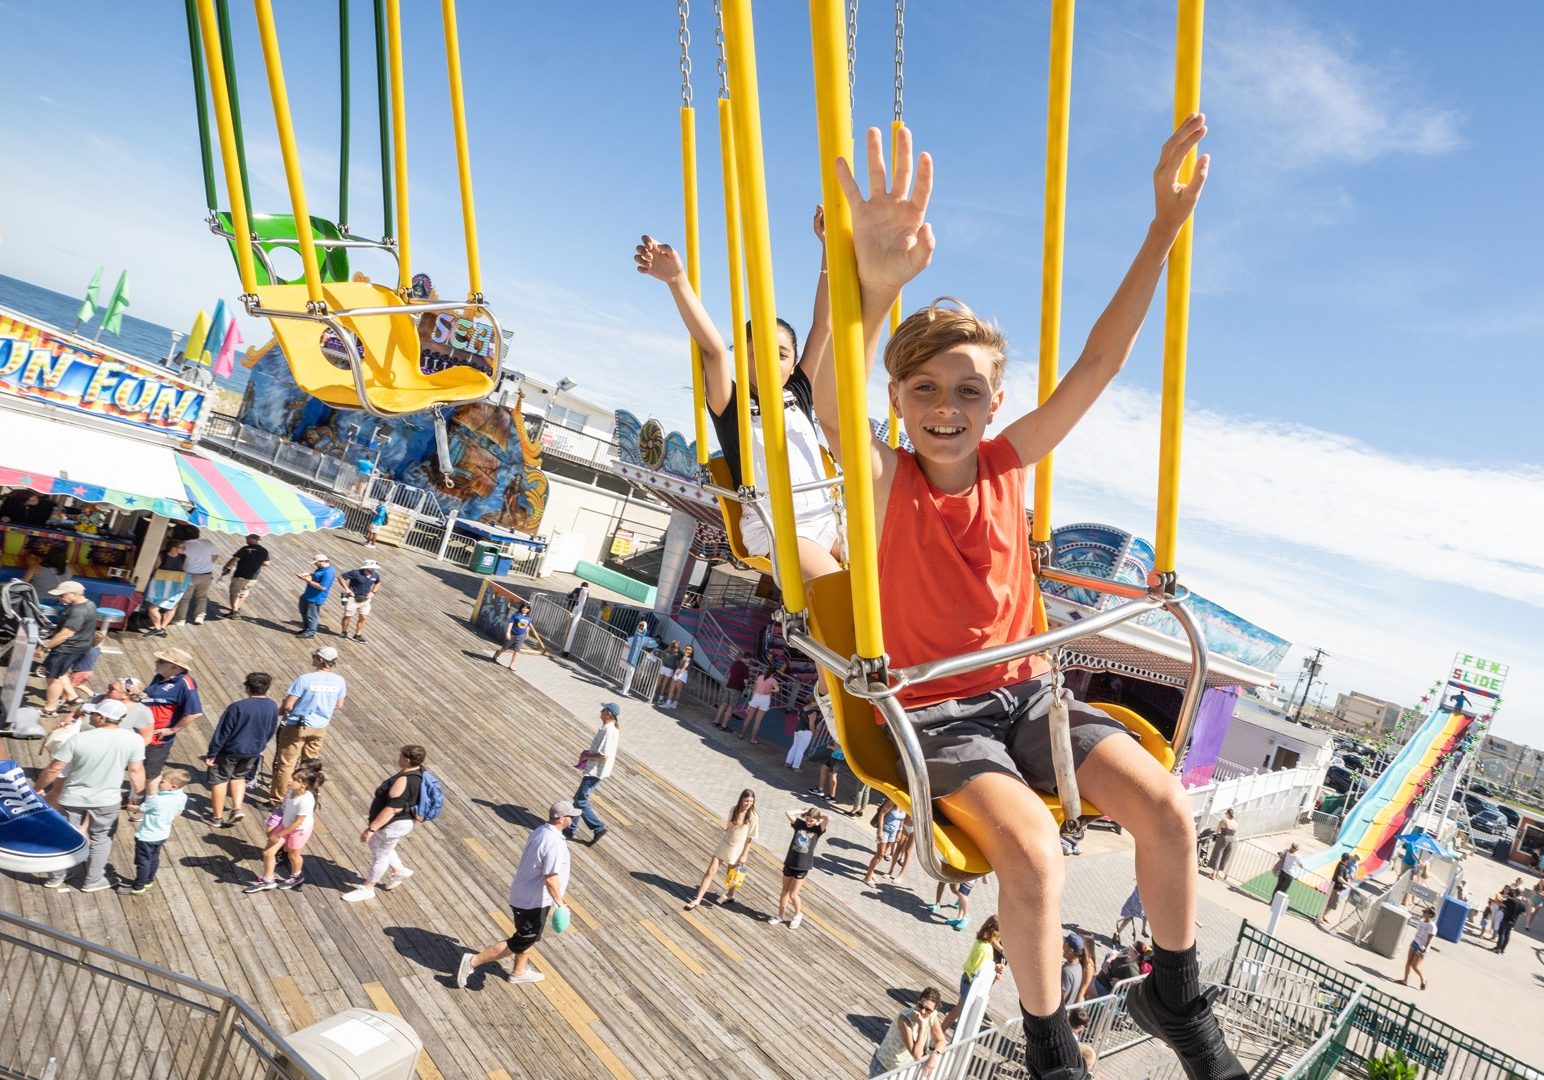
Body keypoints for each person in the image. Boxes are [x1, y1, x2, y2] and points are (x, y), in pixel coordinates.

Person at [820, 118, 1233, 1080]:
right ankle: (1051, 1049)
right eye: (926, 389)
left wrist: (1161, 231)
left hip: (1027, 699)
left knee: (1167, 808)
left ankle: (1176, 994)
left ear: (995, 404)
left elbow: (1100, 364)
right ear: (899, 398)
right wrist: (870, 288)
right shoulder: (885, 480)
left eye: (969, 391)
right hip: (938, 715)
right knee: (1037, 851)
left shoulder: (1011, 463)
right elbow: (834, 406)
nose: (947, 407)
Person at [635, 208, 843, 583]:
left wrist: (828, 247)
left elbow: (824, 323)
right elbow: (713, 350)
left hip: (828, 517)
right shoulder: (731, 404)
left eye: (780, 355)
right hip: (778, 529)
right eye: (756, 352)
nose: (768, 362)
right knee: (837, 587)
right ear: (742, 360)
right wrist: (677, 281)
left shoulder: (798, 390)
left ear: (793, 364)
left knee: (889, 565)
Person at [456, 801, 576, 988]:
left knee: (527, 936)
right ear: (561, 818)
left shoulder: (541, 831)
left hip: (524, 893)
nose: (573, 819)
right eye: (571, 816)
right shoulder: (554, 843)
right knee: (520, 941)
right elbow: (550, 877)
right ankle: (473, 961)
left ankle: (519, 972)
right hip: (533, 900)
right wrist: (560, 904)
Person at [35, 699, 146, 891]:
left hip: (72, 798)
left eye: (94, 713)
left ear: (102, 718)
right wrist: (137, 796)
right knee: (101, 839)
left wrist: (38, 788)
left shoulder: (79, 739)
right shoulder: (134, 740)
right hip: (107, 801)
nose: (90, 716)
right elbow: (136, 771)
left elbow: (54, 768)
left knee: (64, 836)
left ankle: (57, 876)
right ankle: (92, 880)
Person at [343, 745, 427, 903]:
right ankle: (399, 870)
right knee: (378, 845)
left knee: (380, 856)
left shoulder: (405, 780)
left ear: (407, 760)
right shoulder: (419, 772)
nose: (398, 758)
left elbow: (393, 808)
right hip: (402, 822)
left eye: (401, 756)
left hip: (394, 825)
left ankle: (368, 888)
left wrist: (371, 829)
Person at [271, 647, 346, 805]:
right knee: (310, 764)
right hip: (320, 726)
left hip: (297, 726)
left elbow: (289, 705)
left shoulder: (305, 679)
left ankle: (278, 800)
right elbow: (339, 704)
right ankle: (303, 794)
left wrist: (280, 711)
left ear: (320, 660)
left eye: (315, 656)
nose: (312, 657)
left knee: (287, 764)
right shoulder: (339, 681)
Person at [204, 672, 279, 826]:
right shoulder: (272, 705)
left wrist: (212, 753)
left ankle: (216, 818)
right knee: (239, 777)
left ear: (247, 688)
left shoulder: (237, 707)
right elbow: (271, 729)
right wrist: (261, 745)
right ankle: (236, 809)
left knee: (220, 780)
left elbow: (223, 732)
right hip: (253, 751)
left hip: (230, 750)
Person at [246, 762, 324, 892]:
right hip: (286, 825)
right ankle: (268, 880)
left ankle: (296, 876)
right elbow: (285, 809)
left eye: (295, 780)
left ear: (304, 785)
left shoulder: (306, 800)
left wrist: (278, 834)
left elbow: (297, 823)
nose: (290, 781)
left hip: (299, 831)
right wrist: (276, 822)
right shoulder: (291, 792)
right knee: (268, 852)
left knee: (293, 855)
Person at [139, 647, 204, 800]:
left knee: (151, 771)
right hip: (143, 730)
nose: (156, 662)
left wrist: (172, 730)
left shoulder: (185, 684)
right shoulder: (160, 677)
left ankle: (149, 803)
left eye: (161, 661)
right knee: (138, 766)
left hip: (158, 738)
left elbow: (194, 712)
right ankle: (137, 795)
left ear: (174, 666)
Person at [684, 788, 759, 910]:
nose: (748, 804)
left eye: (751, 801)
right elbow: (728, 827)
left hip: (737, 848)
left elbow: (750, 838)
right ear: (741, 799)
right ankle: (698, 899)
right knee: (711, 870)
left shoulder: (753, 816)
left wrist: (744, 855)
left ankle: (730, 894)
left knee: (732, 874)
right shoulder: (733, 810)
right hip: (725, 843)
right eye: (746, 801)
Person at [38, 581, 99, 717]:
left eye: (62, 595)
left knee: (52, 677)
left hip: (66, 649)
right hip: (81, 646)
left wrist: (44, 646)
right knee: (61, 673)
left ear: (75, 594)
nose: (60, 598)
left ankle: (50, 708)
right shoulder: (91, 604)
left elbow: (66, 634)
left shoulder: (78, 611)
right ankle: (72, 696)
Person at [124, 767, 189, 895]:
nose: (159, 783)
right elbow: (178, 813)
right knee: (154, 858)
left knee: (143, 862)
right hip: (162, 834)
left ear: (173, 786)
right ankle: (148, 881)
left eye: (163, 781)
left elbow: (140, 809)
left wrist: (128, 805)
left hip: (147, 836)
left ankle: (138, 887)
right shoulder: (182, 797)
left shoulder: (156, 799)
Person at [565, 703, 620, 844]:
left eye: (603, 710)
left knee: (581, 800)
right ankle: (570, 828)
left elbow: (603, 756)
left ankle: (598, 827)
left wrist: (587, 756)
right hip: (595, 770)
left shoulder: (608, 731)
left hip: (595, 771)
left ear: (608, 713)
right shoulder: (609, 729)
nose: (600, 712)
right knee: (578, 798)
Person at [942, 916, 1005, 1032]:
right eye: (1000, 933)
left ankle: (941, 1033)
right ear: (994, 933)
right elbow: (978, 971)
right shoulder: (985, 949)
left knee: (960, 1011)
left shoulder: (982, 943)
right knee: (962, 1012)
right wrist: (994, 969)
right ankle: (941, 1034)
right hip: (971, 983)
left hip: (968, 980)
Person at [770, 805, 829, 928]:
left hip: (802, 866)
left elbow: (828, 818)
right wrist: (802, 811)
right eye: (807, 819)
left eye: (811, 820)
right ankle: (780, 916)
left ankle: (798, 915)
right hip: (790, 862)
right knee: (784, 891)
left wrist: (818, 816)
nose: (808, 822)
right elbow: (788, 812)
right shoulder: (799, 824)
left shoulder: (818, 830)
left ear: (817, 821)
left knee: (793, 894)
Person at [868, 987, 947, 1078]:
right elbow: (917, 1055)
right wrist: (921, 1026)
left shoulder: (932, 1016)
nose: (923, 1011)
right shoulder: (904, 1020)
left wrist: (935, 1055)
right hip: (885, 1068)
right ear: (917, 1002)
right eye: (921, 1005)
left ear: (933, 1011)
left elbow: (941, 1040)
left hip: (903, 1070)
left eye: (928, 1010)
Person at [172, 527, 218, 626]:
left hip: (190, 575)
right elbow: (215, 557)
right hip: (207, 574)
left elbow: (176, 554)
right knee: (202, 596)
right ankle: (200, 617)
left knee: (185, 598)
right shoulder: (208, 542)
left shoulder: (184, 545)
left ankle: (180, 619)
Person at [219, 533, 270, 619]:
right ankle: (237, 609)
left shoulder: (245, 549)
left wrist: (227, 567)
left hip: (240, 575)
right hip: (253, 578)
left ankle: (234, 611)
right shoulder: (264, 550)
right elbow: (266, 563)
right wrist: (255, 563)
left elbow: (235, 559)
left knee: (234, 592)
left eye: (247, 538)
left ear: (252, 539)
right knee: (244, 592)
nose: (246, 540)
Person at [143, 540, 188, 636]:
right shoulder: (162, 555)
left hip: (174, 585)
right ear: (174, 548)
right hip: (160, 585)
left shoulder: (183, 557)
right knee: (153, 607)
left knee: (172, 606)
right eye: (182, 548)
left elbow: (155, 569)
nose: (184, 550)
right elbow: (156, 569)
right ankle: (159, 628)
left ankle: (161, 627)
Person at [338, 559, 382, 643]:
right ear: (366, 567)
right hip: (352, 598)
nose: (374, 569)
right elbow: (341, 577)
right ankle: (344, 632)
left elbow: (378, 583)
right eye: (372, 567)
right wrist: (347, 589)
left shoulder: (375, 575)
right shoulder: (355, 573)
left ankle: (358, 635)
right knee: (347, 616)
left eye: (374, 568)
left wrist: (373, 592)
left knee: (363, 617)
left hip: (365, 599)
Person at [863, 799, 904, 887]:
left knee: (882, 853)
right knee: (880, 854)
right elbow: (882, 814)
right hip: (885, 831)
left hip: (893, 833)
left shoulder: (905, 803)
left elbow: (902, 819)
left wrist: (900, 831)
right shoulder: (893, 801)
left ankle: (871, 871)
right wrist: (880, 830)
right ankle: (867, 877)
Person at [295, 553, 335, 638]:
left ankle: (310, 632)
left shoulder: (328, 572)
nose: (315, 565)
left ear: (322, 561)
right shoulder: (321, 569)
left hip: (316, 597)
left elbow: (322, 587)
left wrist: (308, 580)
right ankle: (306, 629)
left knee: (312, 615)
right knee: (303, 612)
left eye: (316, 563)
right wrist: (309, 574)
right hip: (308, 594)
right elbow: (317, 577)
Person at [1318, 853, 1358, 929]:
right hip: (1336, 887)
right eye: (1349, 859)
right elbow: (1339, 878)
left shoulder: (1344, 866)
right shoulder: (1341, 866)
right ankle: (1320, 916)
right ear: (1346, 860)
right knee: (1332, 903)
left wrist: (1349, 877)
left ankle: (1323, 916)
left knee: (1332, 903)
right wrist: (1349, 884)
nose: (1350, 861)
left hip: (1338, 888)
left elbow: (1345, 875)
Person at [1400, 906, 1437, 989]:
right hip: (1415, 942)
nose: (1423, 913)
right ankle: (1405, 980)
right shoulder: (1421, 921)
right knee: (1408, 962)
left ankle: (1423, 979)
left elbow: (1429, 939)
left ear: (1430, 915)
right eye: (1423, 911)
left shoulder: (1432, 926)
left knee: (1414, 966)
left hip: (1422, 947)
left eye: (1425, 912)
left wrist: (1425, 949)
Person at [740, 667, 778, 745]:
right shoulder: (773, 680)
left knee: (749, 717)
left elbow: (754, 689)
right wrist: (770, 690)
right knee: (758, 721)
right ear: (773, 673)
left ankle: (741, 734)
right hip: (765, 699)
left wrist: (751, 701)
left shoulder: (760, 677)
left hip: (756, 697)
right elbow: (777, 690)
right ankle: (752, 739)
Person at [620, 619, 656, 699]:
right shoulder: (644, 637)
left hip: (633, 655)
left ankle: (625, 689)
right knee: (629, 671)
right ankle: (625, 689)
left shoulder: (644, 637)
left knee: (630, 671)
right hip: (632, 654)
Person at [716, 647, 750, 729]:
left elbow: (731, 673)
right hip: (737, 689)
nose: (749, 661)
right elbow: (745, 681)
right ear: (747, 658)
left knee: (723, 704)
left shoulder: (735, 663)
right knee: (730, 707)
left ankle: (716, 721)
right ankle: (724, 726)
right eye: (749, 659)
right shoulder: (745, 668)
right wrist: (748, 683)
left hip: (729, 685)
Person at [493, 602, 534, 668]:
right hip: (513, 634)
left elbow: (527, 626)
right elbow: (510, 624)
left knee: (516, 651)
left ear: (529, 610)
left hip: (521, 636)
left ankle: (511, 665)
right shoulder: (516, 615)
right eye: (524, 608)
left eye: (527, 608)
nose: (525, 609)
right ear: (521, 608)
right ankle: (497, 653)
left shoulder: (529, 617)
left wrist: (527, 633)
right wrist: (508, 633)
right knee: (505, 648)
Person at [785, 696, 820, 770]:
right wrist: (814, 733)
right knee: (801, 750)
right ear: (814, 701)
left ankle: (788, 762)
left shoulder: (803, 707)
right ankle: (796, 767)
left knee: (794, 746)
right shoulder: (813, 712)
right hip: (806, 732)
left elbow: (798, 717)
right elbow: (811, 725)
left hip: (798, 729)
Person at [1494, 886, 1526, 954]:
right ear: (1521, 894)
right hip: (1513, 921)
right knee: (1507, 934)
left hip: (1506, 919)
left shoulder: (1510, 900)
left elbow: (1501, 904)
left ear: (1514, 893)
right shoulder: (1522, 904)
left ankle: (1498, 948)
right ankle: (1502, 950)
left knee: (1501, 933)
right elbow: (1523, 913)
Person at [1206, 808, 1237, 880]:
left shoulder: (1224, 820)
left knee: (1218, 855)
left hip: (1223, 838)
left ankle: (1213, 875)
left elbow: (1217, 831)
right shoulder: (1236, 823)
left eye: (1226, 813)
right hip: (1232, 840)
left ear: (1228, 814)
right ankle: (1217, 874)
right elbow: (1234, 832)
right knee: (1225, 856)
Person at [661, 644, 694, 710]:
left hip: (681, 674)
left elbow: (684, 667)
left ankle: (670, 704)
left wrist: (677, 674)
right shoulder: (684, 657)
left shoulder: (688, 659)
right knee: (674, 689)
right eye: (686, 648)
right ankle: (671, 703)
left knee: (675, 689)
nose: (685, 650)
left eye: (687, 649)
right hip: (680, 673)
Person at [1060, 933, 1086, 1007]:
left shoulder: (1067, 971)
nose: (1063, 945)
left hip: (1063, 1009)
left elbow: (1062, 997)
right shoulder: (1078, 966)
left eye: (1065, 943)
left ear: (1071, 950)